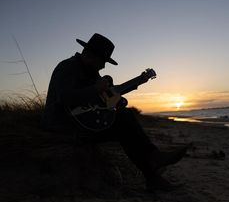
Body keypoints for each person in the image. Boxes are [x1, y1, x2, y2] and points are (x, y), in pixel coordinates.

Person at [42, 33, 187, 191]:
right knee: (124, 120)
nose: (103, 67)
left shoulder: (91, 73)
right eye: (102, 61)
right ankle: (154, 163)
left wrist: (123, 94)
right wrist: (95, 89)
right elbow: (64, 98)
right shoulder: (67, 67)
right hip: (63, 125)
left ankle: (153, 174)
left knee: (124, 121)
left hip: (82, 122)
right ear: (90, 55)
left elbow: (99, 100)